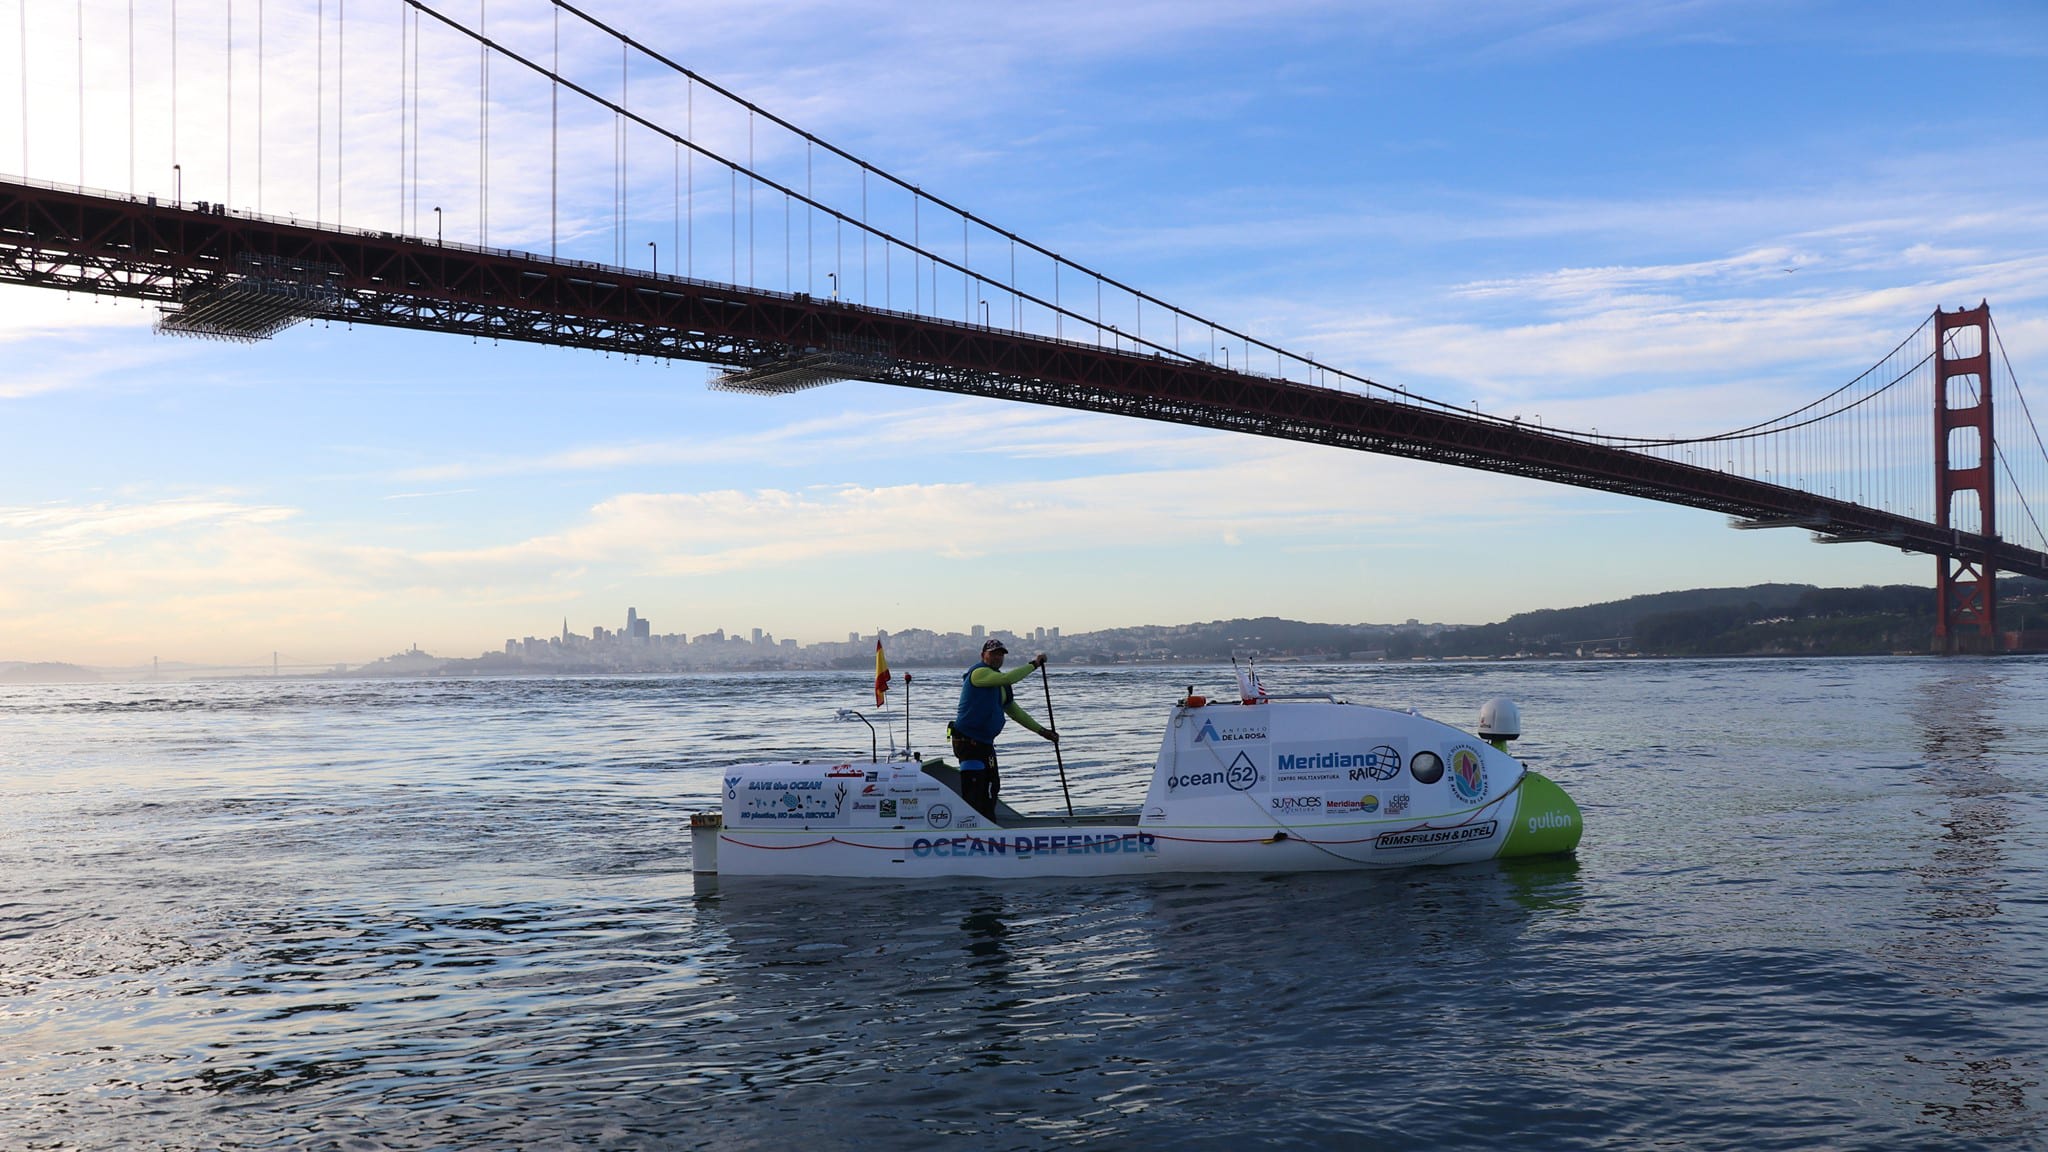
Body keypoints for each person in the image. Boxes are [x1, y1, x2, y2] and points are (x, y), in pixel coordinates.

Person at [950, 638, 1058, 822]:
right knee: (975, 790)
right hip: (968, 743)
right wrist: (1034, 664)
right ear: (983, 655)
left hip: (985, 743)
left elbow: (1015, 712)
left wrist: (1043, 732)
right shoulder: (978, 673)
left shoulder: (1001, 686)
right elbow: (1008, 678)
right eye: (993, 653)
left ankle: (990, 826)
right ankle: (971, 829)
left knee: (992, 787)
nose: (997, 657)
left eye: (1000, 654)